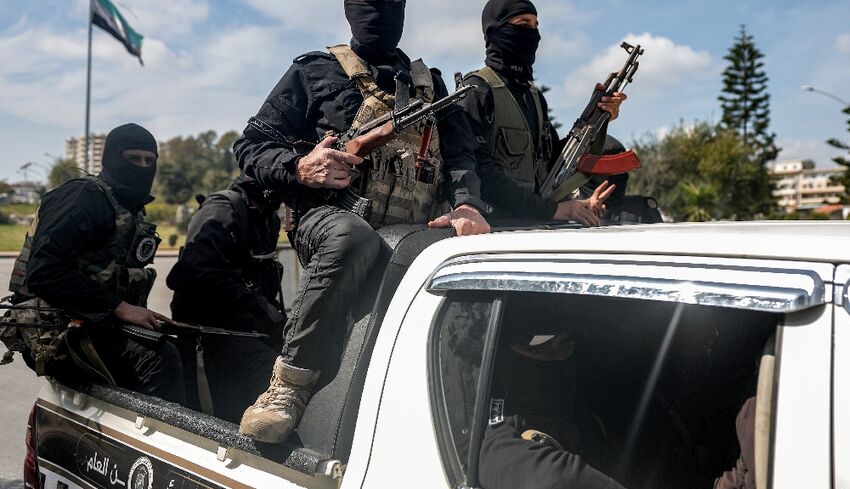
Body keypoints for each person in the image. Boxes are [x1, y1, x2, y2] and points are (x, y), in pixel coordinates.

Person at [233, 0, 490, 443]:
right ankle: (289, 383)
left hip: (411, 228)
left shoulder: (431, 85)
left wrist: (467, 205)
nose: (381, 11)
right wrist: (301, 167)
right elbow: (251, 145)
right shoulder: (314, 71)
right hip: (329, 219)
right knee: (351, 237)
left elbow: (462, 157)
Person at [3, 123, 185, 403]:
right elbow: (43, 272)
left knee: (182, 346)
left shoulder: (126, 206)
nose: (142, 167)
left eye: (149, 160)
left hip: (94, 321)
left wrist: (135, 313)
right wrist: (119, 307)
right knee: (158, 359)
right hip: (53, 328)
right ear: (111, 158)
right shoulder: (83, 198)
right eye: (132, 159)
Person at [459, 0, 626, 225]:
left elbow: (554, 163)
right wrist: (552, 210)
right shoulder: (477, 90)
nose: (533, 34)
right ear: (496, 30)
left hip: (535, 225)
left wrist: (596, 119)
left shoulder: (533, 96)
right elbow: (481, 173)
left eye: (536, 25)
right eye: (523, 24)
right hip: (495, 230)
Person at [166, 175, 284, 422]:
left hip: (247, 332)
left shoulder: (268, 218)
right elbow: (199, 274)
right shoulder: (221, 210)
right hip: (209, 338)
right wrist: (259, 307)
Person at [479, 331, 628, 489]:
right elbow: (499, 458)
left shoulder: (582, 399)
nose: (557, 357)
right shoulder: (503, 423)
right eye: (537, 349)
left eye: (565, 346)